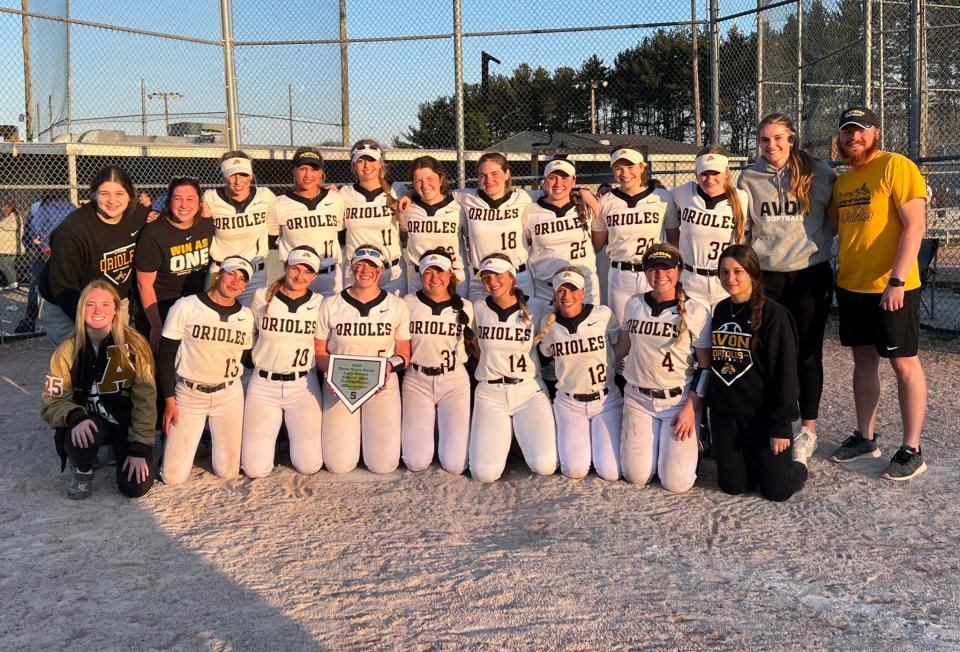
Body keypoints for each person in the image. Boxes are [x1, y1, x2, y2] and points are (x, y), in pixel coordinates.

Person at [827, 106, 929, 481]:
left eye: (860, 130)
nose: (853, 137)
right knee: (864, 360)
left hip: (891, 286)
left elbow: (915, 226)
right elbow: (832, 227)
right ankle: (866, 437)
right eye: (846, 131)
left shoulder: (895, 166)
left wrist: (898, 281)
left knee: (904, 363)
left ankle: (912, 448)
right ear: (839, 138)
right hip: (853, 285)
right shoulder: (843, 181)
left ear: (875, 132)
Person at [737, 113, 836, 450]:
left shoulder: (818, 172)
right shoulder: (749, 177)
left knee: (808, 353)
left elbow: (835, 219)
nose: (771, 145)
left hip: (809, 273)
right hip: (766, 275)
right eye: (764, 139)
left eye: (778, 138)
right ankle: (774, 419)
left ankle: (808, 429)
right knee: (768, 351)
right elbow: (744, 226)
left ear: (791, 139)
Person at [709, 245, 811, 501]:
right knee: (732, 486)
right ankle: (751, 462)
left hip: (763, 418)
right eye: (724, 272)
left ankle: (797, 462)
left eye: (737, 271)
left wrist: (780, 425)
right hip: (727, 417)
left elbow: (785, 374)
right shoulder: (720, 310)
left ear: (752, 272)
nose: (730, 279)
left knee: (777, 491)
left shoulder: (775, 315)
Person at [40, 280, 157, 499]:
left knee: (135, 488)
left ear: (115, 310)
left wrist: (139, 447)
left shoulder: (135, 345)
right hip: (91, 423)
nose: (97, 311)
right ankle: (83, 469)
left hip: (125, 422)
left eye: (105, 304)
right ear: (81, 309)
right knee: (81, 429)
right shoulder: (67, 350)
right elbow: (52, 400)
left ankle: (119, 448)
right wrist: (75, 416)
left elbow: (146, 401)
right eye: (90, 305)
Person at [614, 243, 711, 493]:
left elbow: (705, 366)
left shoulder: (695, 310)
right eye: (652, 269)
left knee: (675, 484)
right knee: (637, 476)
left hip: (677, 401)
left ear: (678, 271)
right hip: (638, 398)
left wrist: (691, 408)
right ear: (645, 273)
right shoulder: (634, 304)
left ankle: (691, 447)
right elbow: (621, 349)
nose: (659, 275)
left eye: (666, 269)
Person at [157, 256, 255, 485]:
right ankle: (177, 444)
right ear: (219, 274)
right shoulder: (187, 305)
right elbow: (167, 354)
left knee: (227, 471)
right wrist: (169, 400)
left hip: (228, 394)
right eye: (231, 274)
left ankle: (208, 440)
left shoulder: (245, 316)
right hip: (189, 393)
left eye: (242, 279)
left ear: (245, 286)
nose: (235, 282)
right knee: (172, 477)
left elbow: (245, 357)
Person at [316, 245, 411, 474]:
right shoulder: (330, 304)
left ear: (380, 271)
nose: (365, 270)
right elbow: (320, 351)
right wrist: (332, 374)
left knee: (383, 466)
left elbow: (404, 355)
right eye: (359, 265)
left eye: (372, 266)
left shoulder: (397, 305)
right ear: (351, 268)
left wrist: (388, 367)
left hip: (382, 385)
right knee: (338, 465)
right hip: (339, 386)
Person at [470, 253, 557, 482]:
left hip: (528, 390)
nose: (492, 282)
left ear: (511, 278)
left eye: (498, 275)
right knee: (483, 474)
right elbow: (471, 343)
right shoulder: (477, 308)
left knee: (545, 466)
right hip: (490, 392)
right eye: (486, 277)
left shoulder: (536, 307)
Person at [39, 166, 148, 345]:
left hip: (114, 301)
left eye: (119, 193)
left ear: (130, 196)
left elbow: (168, 221)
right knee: (81, 360)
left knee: (113, 360)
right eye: (104, 193)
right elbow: (62, 286)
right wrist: (93, 326)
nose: (112, 200)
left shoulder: (139, 217)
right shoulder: (72, 230)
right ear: (93, 194)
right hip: (69, 302)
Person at [241, 246, 325, 478]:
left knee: (309, 466)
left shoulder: (320, 304)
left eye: (307, 272)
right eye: (295, 268)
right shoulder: (261, 297)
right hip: (263, 384)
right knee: (255, 469)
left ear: (315, 276)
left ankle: (286, 439)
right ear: (286, 268)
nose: (300, 276)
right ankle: (275, 442)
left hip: (303, 385)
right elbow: (247, 335)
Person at [536, 267, 622, 480]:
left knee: (611, 472)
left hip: (606, 400)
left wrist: (609, 363)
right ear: (554, 294)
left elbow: (619, 345)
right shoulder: (549, 325)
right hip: (569, 403)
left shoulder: (602, 314)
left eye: (573, 290)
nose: (567, 296)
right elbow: (544, 357)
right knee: (576, 470)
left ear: (583, 292)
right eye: (561, 291)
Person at [401, 249, 475, 474]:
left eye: (440, 272)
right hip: (417, 379)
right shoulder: (407, 303)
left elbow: (475, 348)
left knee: (455, 465)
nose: (435, 278)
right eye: (428, 272)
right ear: (420, 275)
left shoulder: (466, 306)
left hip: (454, 380)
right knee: (416, 462)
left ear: (450, 274)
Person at [591, 148, 672, 323]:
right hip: (621, 275)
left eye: (630, 166)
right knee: (622, 329)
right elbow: (596, 245)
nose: (624, 173)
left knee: (654, 327)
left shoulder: (663, 198)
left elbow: (675, 241)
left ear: (642, 167)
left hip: (654, 272)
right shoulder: (605, 201)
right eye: (618, 168)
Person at [666, 146, 750, 310]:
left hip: (726, 281)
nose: (709, 179)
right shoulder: (684, 193)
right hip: (691, 280)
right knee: (692, 334)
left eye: (715, 173)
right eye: (704, 173)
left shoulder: (741, 198)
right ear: (696, 174)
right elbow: (656, 198)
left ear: (727, 173)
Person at [135, 177, 215, 348]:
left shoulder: (207, 224)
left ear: (199, 202)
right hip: (164, 307)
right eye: (178, 198)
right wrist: (156, 326)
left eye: (190, 199)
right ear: (169, 200)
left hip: (197, 307)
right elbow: (144, 284)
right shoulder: (154, 233)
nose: (184, 205)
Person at [455, 153, 536, 301]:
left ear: (507, 174)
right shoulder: (467, 197)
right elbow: (435, 192)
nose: (489, 180)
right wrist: (409, 194)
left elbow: (558, 192)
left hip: (518, 277)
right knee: (483, 323)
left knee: (524, 322)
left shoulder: (524, 197)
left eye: (495, 174)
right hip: (482, 280)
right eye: (483, 175)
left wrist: (584, 194)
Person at [267, 147, 345, 297]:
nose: (308, 174)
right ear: (294, 171)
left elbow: (341, 235)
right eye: (303, 168)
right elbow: (270, 241)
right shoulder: (278, 204)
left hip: (329, 275)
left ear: (321, 172)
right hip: (297, 278)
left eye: (314, 169)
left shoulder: (336, 199)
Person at [203, 150, 276, 305]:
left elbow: (289, 208)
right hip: (221, 271)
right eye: (232, 175)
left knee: (253, 322)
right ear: (224, 176)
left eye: (243, 174)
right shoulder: (211, 197)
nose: (237, 181)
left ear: (250, 176)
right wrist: (157, 210)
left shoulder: (265, 196)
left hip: (254, 273)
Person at [523, 158, 600, 304]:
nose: (558, 184)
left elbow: (598, 243)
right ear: (544, 182)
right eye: (552, 178)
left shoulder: (586, 206)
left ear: (573, 181)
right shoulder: (531, 211)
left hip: (584, 287)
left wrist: (583, 193)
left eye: (564, 178)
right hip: (547, 290)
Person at [339, 140, 406, 295]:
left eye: (372, 160)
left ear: (381, 163)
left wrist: (409, 195)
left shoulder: (397, 190)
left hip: (392, 271)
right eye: (360, 161)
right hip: (356, 272)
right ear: (353, 166)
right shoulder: (344, 194)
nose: (366, 166)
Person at [399, 156, 468, 296]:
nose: (425, 185)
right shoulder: (407, 208)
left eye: (430, 179)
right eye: (418, 181)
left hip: (454, 276)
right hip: (419, 277)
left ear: (440, 179)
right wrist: (408, 194)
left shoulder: (458, 207)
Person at [16, 191, 75, 333]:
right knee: (65, 281)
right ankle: (68, 317)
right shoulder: (71, 207)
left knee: (37, 283)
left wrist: (37, 239)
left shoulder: (44, 208)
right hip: (68, 250)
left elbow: (35, 226)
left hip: (47, 250)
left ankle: (32, 320)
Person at [0, 201, 21, 289]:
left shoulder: (15, 216)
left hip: (10, 245)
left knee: (5, 264)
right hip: (5, 245)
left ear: (10, 208)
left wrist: (1, 223)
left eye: (5, 207)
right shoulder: (7, 217)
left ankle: (13, 282)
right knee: (6, 264)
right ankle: (10, 282)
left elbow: (14, 226)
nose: (3, 209)